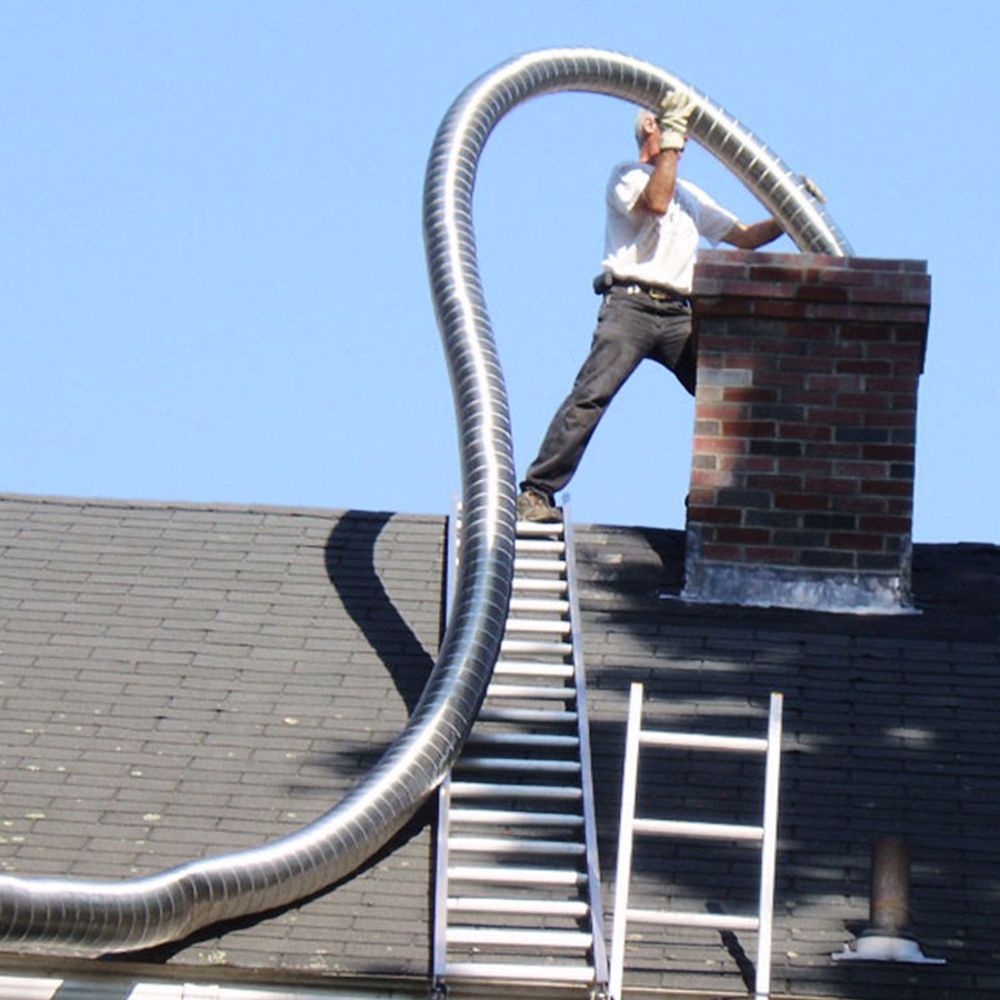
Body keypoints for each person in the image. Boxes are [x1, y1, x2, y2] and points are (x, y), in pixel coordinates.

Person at [516, 92, 784, 523]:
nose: (681, 138)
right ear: (649, 129)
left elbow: (747, 237)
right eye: (669, 126)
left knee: (726, 398)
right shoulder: (627, 176)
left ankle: (708, 504)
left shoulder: (691, 195)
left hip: (680, 313)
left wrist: (788, 212)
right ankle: (536, 491)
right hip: (630, 307)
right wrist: (671, 145)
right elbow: (656, 202)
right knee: (591, 395)